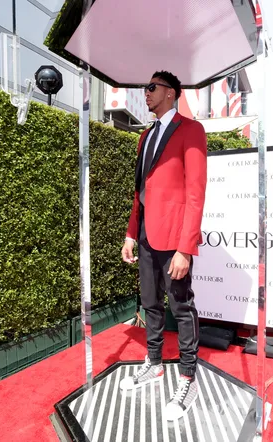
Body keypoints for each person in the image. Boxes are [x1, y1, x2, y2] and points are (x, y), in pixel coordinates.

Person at [120, 70, 207, 421]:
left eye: (151, 88)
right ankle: (154, 363)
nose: (146, 93)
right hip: (145, 237)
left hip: (174, 238)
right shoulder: (145, 137)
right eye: (145, 87)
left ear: (171, 93)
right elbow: (140, 192)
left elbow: (196, 193)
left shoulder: (191, 130)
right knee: (150, 303)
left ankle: (188, 377)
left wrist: (186, 248)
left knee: (181, 306)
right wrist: (130, 232)